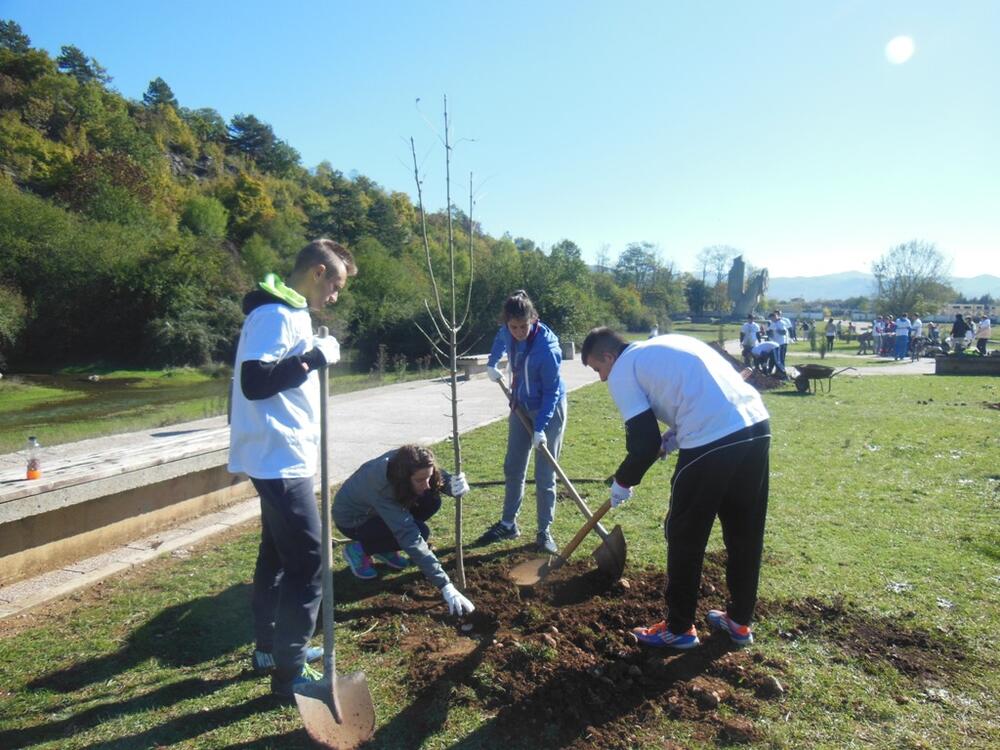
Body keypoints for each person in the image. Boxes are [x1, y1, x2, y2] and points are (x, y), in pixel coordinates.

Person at [580, 328, 771, 649]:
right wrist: (674, 433)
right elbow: (697, 391)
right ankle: (739, 622)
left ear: (609, 357)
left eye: (598, 369)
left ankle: (680, 627)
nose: (601, 379)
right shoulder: (667, 344)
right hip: (756, 426)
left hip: (712, 436)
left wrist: (623, 481)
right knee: (744, 531)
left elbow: (643, 444)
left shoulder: (623, 371)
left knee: (684, 532)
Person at [228, 238, 357, 701]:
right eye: (336, 285)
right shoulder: (274, 315)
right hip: (279, 458)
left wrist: (308, 348)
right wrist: (312, 359)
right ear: (318, 272)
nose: (336, 296)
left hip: (281, 454)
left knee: (277, 553)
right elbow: (255, 381)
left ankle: (271, 647)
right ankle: (289, 673)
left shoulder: (289, 314)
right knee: (308, 561)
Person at [334, 445, 475, 614]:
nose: (427, 484)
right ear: (403, 478)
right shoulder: (382, 488)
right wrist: (445, 585)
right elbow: (409, 535)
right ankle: (359, 549)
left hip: (377, 511)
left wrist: (452, 484)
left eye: (428, 477)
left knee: (432, 499)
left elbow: (432, 475)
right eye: (419, 481)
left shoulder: (408, 459)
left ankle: (384, 547)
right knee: (419, 532)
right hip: (355, 520)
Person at [477, 290, 567, 555]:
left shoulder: (548, 350)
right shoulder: (507, 331)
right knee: (513, 465)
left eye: (523, 326)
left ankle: (544, 531)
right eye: (513, 326)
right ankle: (508, 524)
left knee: (544, 474)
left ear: (533, 320)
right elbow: (500, 338)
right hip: (520, 406)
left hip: (548, 410)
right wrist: (493, 363)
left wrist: (541, 428)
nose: (517, 332)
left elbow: (552, 392)